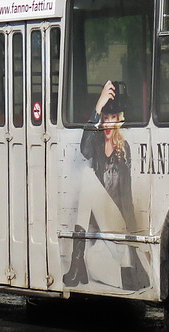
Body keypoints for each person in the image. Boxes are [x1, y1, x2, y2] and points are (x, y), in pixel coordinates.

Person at [62, 81, 149, 291]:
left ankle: (76, 263)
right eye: (105, 118)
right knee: (93, 263)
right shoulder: (98, 143)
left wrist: (132, 239)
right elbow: (84, 149)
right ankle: (81, 263)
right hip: (103, 228)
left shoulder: (123, 149)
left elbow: (126, 195)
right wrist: (97, 106)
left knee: (86, 175)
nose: (108, 124)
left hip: (117, 223)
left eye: (112, 118)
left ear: (119, 120)